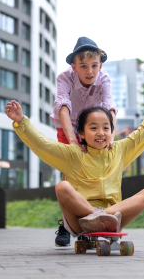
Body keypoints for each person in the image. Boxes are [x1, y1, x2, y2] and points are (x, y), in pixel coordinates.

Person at [5, 82, 144, 239]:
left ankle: (104, 216)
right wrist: (21, 121)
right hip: (80, 220)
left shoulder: (120, 151)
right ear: (81, 133)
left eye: (106, 128)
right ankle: (96, 216)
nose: (101, 133)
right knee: (62, 187)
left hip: (113, 216)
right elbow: (43, 145)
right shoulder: (73, 154)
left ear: (111, 131)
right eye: (93, 128)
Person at [50, 37, 118, 246]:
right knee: (71, 172)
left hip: (92, 127)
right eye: (83, 66)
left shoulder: (104, 79)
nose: (89, 71)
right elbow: (63, 107)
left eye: (94, 66)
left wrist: (110, 137)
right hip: (68, 125)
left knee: (92, 171)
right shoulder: (65, 78)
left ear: (100, 65)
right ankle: (65, 223)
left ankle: (92, 217)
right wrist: (72, 138)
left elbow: (110, 108)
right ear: (74, 66)